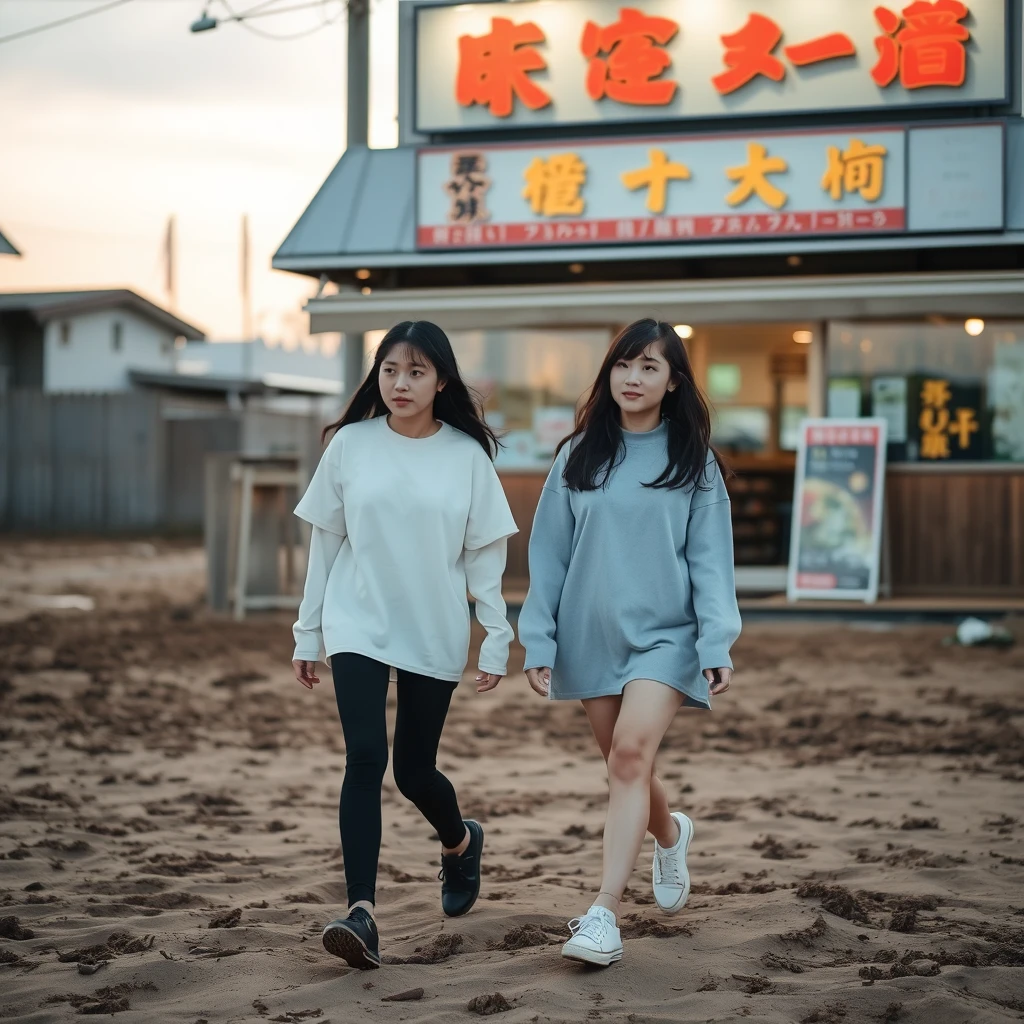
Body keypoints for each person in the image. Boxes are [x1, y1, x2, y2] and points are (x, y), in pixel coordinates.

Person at [291, 321, 517, 970]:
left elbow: (484, 557)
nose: (400, 383)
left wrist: (496, 640)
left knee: (414, 770)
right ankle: (361, 912)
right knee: (365, 757)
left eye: (416, 372)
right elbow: (325, 545)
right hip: (356, 620)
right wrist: (309, 632)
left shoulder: (467, 458)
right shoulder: (350, 446)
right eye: (390, 370)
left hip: (433, 625)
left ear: (441, 380)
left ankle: (458, 840)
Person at [518, 318, 741, 967]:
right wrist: (539, 639)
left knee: (629, 753)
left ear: (673, 382)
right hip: (589, 636)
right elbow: (549, 557)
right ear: (608, 373)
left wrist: (715, 642)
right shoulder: (578, 454)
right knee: (626, 766)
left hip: (666, 638)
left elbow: (710, 559)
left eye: (649, 366)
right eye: (624, 364)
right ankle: (670, 834)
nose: (634, 377)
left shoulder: (692, 459)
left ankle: (603, 914)